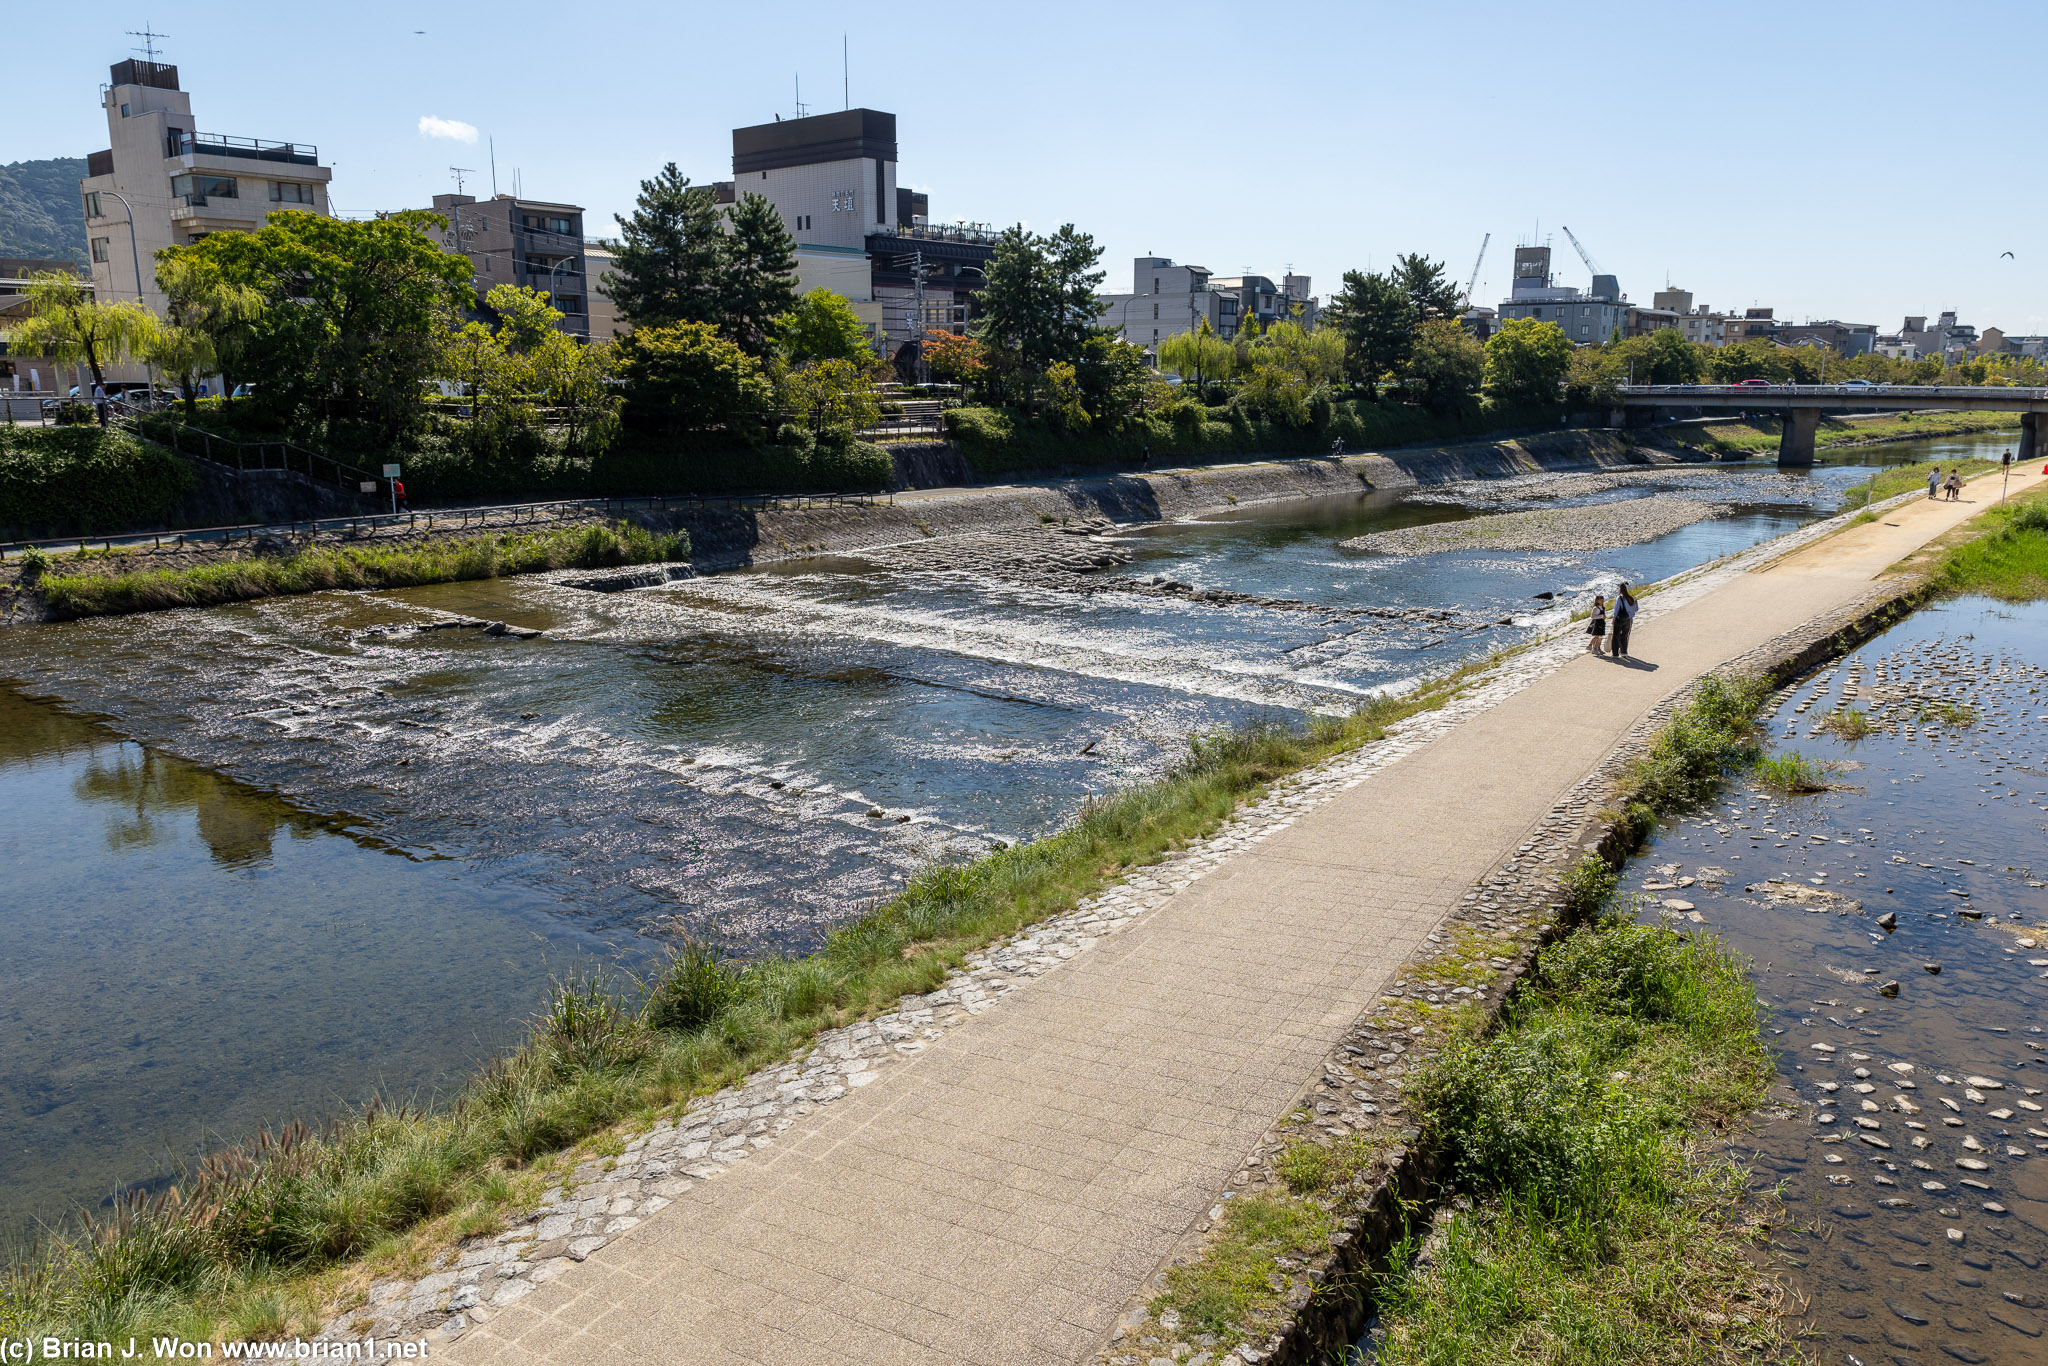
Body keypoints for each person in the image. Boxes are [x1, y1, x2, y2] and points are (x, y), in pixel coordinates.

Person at [1611, 582, 1638, 659]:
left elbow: (1616, 610)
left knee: (1616, 636)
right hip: (1628, 619)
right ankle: (1624, 652)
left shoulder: (1620, 598)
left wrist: (1614, 618)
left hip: (1620, 619)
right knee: (1624, 636)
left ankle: (1615, 653)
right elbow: (1636, 608)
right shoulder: (1630, 598)